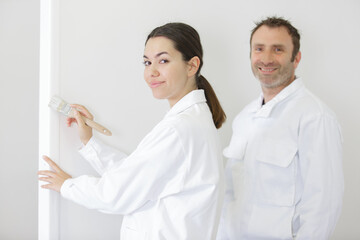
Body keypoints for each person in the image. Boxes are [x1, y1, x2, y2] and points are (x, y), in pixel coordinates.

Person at [38, 22, 226, 240]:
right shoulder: (193, 122)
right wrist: (90, 143)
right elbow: (137, 175)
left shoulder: (179, 129)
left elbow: (116, 194)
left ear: (192, 66)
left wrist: (67, 186)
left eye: (163, 61)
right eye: (147, 62)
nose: (151, 72)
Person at [217, 17, 344, 240]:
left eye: (278, 49)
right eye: (259, 49)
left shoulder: (315, 117)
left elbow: (323, 205)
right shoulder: (244, 117)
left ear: (296, 58)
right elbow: (231, 196)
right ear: (250, 55)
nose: (266, 59)